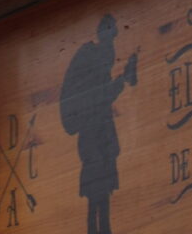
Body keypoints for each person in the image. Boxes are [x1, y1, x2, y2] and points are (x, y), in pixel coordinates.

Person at [57, 14, 138, 234]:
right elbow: (97, 96)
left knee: (103, 187)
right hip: (92, 133)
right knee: (96, 186)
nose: (112, 36)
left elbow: (103, 95)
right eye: (110, 31)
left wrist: (121, 80)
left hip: (103, 130)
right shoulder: (90, 56)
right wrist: (121, 81)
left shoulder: (103, 55)